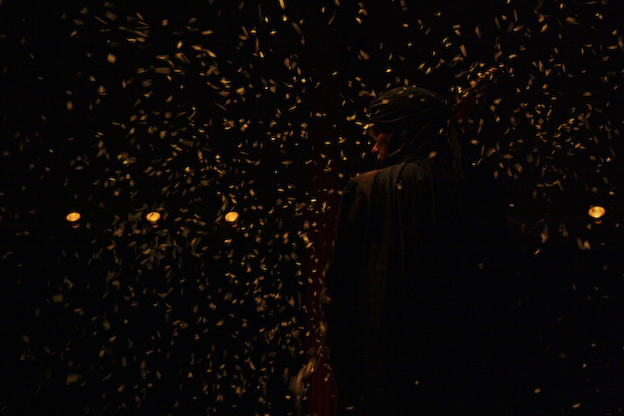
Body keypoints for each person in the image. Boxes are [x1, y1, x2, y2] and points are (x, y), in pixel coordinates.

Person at [323, 86, 473, 415]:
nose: (375, 147)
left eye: (379, 135)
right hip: (460, 375)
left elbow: (341, 292)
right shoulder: (471, 188)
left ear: (402, 133)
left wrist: (347, 377)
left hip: (385, 373)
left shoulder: (367, 187)